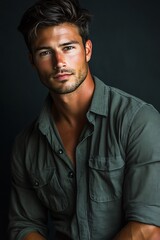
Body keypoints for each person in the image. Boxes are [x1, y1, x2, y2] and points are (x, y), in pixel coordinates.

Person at [8, 0, 160, 239]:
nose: (59, 63)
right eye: (45, 52)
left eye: (68, 47)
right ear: (32, 61)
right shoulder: (26, 144)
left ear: (87, 50)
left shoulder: (138, 121)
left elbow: (148, 228)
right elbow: (25, 225)